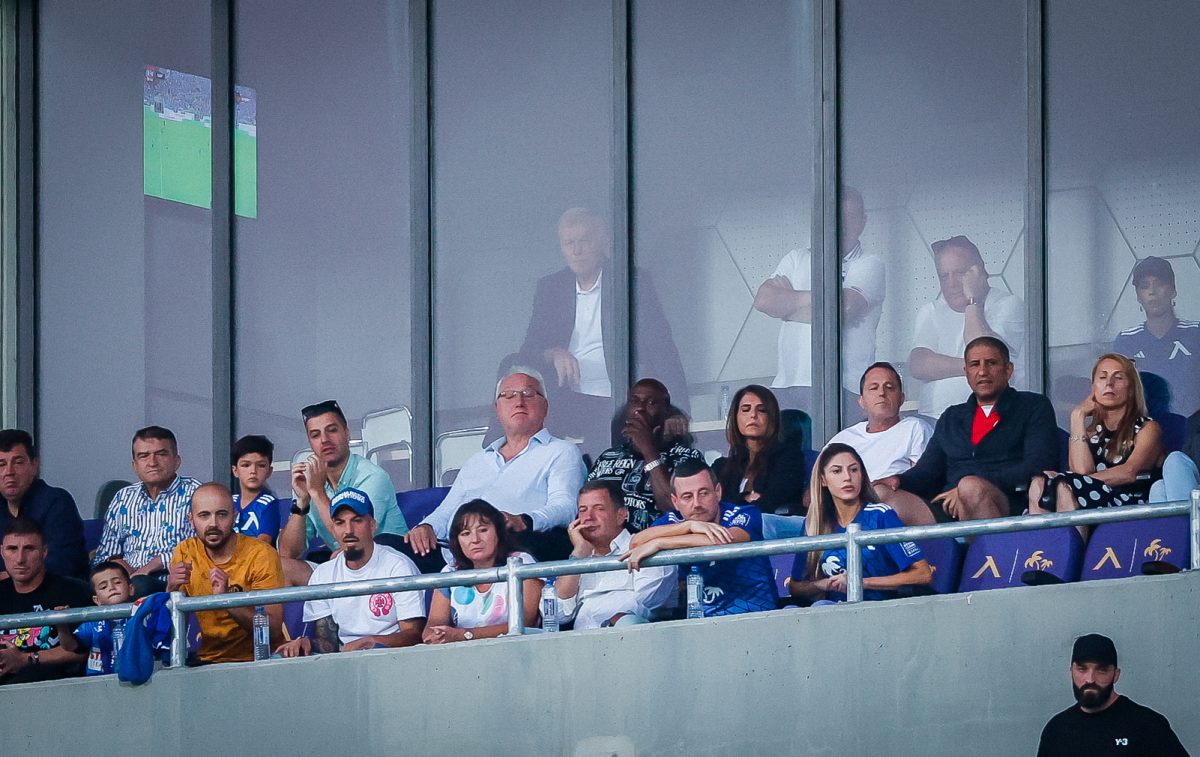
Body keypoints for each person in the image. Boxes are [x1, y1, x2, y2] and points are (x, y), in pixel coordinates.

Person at [515, 207, 689, 448]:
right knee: (511, 372)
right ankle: (494, 456)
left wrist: (677, 409)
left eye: (584, 241)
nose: (576, 250)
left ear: (600, 243)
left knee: (605, 443)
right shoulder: (551, 288)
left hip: (615, 399)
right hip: (566, 398)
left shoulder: (630, 281)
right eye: (569, 243)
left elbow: (661, 347)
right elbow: (528, 350)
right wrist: (553, 353)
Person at [405, 369, 585, 568]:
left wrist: (525, 520)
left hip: (512, 546)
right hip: (455, 551)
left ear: (545, 406)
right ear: (497, 410)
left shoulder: (561, 451)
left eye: (528, 393)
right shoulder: (478, 461)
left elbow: (566, 507)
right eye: (508, 395)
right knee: (389, 544)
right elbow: (447, 510)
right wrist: (427, 526)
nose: (519, 401)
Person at [878, 337, 1058, 522]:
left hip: (1008, 504)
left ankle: (989, 542)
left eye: (991, 363)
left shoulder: (1033, 406)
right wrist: (898, 480)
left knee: (970, 487)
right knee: (882, 495)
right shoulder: (951, 417)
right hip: (948, 506)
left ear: (1008, 369)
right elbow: (927, 472)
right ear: (966, 372)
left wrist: (966, 488)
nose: (982, 371)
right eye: (975, 364)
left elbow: (1039, 464)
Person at [753, 187, 884, 416]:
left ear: (863, 222)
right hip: (787, 386)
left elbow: (845, 307)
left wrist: (788, 308)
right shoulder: (797, 258)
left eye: (851, 217)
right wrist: (830, 299)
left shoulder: (870, 264)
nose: (841, 224)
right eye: (835, 216)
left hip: (845, 388)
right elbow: (764, 301)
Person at [275, 488, 425, 657]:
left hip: (392, 658)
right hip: (345, 661)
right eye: (340, 523)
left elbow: (414, 635)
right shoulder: (323, 574)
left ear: (372, 525)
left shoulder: (398, 566)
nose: (348, 530)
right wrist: (307, 643)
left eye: (357, 521)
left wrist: (371, 642)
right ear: (333, 529)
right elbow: (328, 642)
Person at [622, 460, 776, 617]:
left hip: (755, 618)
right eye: (687, 496)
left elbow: (725, 540)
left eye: (703, 493)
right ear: (675, 502)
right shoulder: (673, 520)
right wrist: (688, 526)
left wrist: (660, 543)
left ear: (718, 492)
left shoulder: (744, 512)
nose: (696, 504)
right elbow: (636, 542)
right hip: (698, 623)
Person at [278, 399, 407, 586]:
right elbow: (287, 552)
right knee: (280, 567)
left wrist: (317, 492)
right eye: (315, 435)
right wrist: (302, 501)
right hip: (343, 565)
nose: (324, 440)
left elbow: (358, 537)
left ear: (347, 433)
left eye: (332, 430)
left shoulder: (373, 476)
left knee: (340, 557)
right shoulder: (311, 482)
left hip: (384, 568)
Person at [786, 443, 931, 605]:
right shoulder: (814, 523)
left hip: (878, 608)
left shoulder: (880, 515)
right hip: (832, 610)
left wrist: (860, 582)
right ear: (823, 480)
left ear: (862, 475)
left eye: (854, 470)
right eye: (837, 471)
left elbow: (923, 574)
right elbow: (795, 586)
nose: (847, 477)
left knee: (821, 606)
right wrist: (822, 584)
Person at [1029, 355, 1164, 520]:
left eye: (1118, 377)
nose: (1109, 383)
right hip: (1086, 499)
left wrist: (1064, 480)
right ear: (1093, 388)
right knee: (1039, 484)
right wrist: (1077, 416)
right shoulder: (1088, 433)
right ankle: (1048, 538)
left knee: (1062, 487)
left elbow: (1129, 472)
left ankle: (1069, 538)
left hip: (1128, 504)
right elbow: (1081, 473)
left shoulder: (1147, 427)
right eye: (1102, 377)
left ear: (1131, 389)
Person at [909, 235, 1027, 418]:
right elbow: (918, 365)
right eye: (944, 276)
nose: (951, 284)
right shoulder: (931, 310)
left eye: (959, 273)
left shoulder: (1008, 304)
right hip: (933, 419)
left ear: (979, 272)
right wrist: (972, 368)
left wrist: (973, 301)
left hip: (992, 417)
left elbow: (983, 351)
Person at [166, 482, 285, 664]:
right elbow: (172, 631)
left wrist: (227, 599)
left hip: (259, 661)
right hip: (207, 661)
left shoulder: (261, 554)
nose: (213, 524)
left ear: (234, 517)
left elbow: (274, 630)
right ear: (191, 520)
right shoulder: (185, 551)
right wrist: (171, 589)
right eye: (204, 515)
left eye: (222, 514)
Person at [1037, 633, 1188, 756]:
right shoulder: (1056, 730)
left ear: (1116, 675)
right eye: (1082, 669)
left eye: (1102, 670)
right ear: (1071, 672)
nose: (1090, 679)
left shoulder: (1148, 726)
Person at [93, 426, 202, 597]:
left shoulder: (196, 493)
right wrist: (117, 563)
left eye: (161, 454)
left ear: (177, 461)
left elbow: (206, 547)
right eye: (144, 456)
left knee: (140, 585)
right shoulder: (123, 497)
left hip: (176, 582)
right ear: (135, 465)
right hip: (127, 582)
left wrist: (156, 563)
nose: (152, 462)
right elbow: (103, 555)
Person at [553, 480, 676, 629]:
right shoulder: (580, 557)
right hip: (581, 641)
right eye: (583, 510)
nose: (588, 517)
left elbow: (650, 605)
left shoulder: (644, 548)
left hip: (630, 636)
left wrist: (615, 621)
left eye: (599, 508)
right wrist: (578, 554)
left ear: (621, 515)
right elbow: (557, 614)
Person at [587, 379, 705, 533]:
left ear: (666, 411)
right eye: (634, 401)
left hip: (662, 543)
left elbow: (680, 511)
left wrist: (648, 450)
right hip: (611, 547)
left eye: (651, 403)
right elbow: (587, 510)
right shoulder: (607, 458)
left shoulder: (686, 457)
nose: (640, 408)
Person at [828, 363, 935, 525]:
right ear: (861, 401)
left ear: (902, 398)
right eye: (873, 388)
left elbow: (925, 481)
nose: (881, 393)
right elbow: (817, 487)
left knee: (878, 493)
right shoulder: (842, 440)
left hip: (901, 509)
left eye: (889, 387)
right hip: (845, 510)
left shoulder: (915, 428)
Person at [422, 499, 541, 643]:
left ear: (499, 532)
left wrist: (464, 635)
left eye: (483, 530)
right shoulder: (449, 572)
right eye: (465, 533)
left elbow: (525, 621)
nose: (475, 540)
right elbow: (431, 628)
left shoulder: (521, 562)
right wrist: (436, 635)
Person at [0, 517, 90, 684]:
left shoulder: (73, 591)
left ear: (44, 552)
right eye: (12, 549)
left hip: (56, 688)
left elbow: (86, 650)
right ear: (2, 552)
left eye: (29, 549)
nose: (20, 559)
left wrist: (27, 658)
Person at [1114, 256, 1200, 417]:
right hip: (1145, 428)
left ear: (1173, 290)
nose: (1152, 292)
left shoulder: (1195, 333)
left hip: (1194, 428)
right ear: (1138, 295)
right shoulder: (1127, 340)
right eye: (1144, 286)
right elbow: (1121, 395)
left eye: (1159, 283)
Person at [0, 429, 87, 580]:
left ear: (34, 466)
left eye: (18, 462)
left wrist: (8, 578)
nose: (9, 472)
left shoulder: (56, 502)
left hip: (60, 590)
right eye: (1, 464)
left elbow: (61, 564)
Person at [56, 561, 168, 676]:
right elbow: (70, 646)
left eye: (117, 582)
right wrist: (62, 625)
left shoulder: (142, 616)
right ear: (96, 600)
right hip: (99, 682)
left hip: (138, 679)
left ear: (131, 588)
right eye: (103, 587)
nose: (112, 588)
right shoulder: (93, 621)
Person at [711, 385, 808, 516]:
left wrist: (734, 503)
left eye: (762, 410)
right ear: (735, 417)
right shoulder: (721, 466)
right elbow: (711, 504)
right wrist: (745, 498)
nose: (753, 415)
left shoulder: (789, 458)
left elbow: (772, 502)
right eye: (745, 410)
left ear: (771, 418)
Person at [230, 434, 280, 546]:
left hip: (256, 556)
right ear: (235, 470)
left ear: (269, 471)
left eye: (261, 465)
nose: (253, 471)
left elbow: (264, 540)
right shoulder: (229, 502)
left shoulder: (268, 503)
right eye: (246, 465)